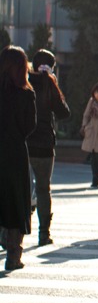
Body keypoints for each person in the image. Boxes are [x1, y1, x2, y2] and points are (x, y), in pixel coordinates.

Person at [27, 49, 71, 247]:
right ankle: (43, 233)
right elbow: (64, 113)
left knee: (20, 188)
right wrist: (54, 85)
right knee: (44, 189)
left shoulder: (23, 81)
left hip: (24, 143)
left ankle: (11, 232)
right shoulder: (49, 84)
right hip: (44, 144)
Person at [0, 46, 37, 270]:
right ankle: (13, 253)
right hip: (14, 152)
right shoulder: (26, 93)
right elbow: (29, 126)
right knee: (16, 200)